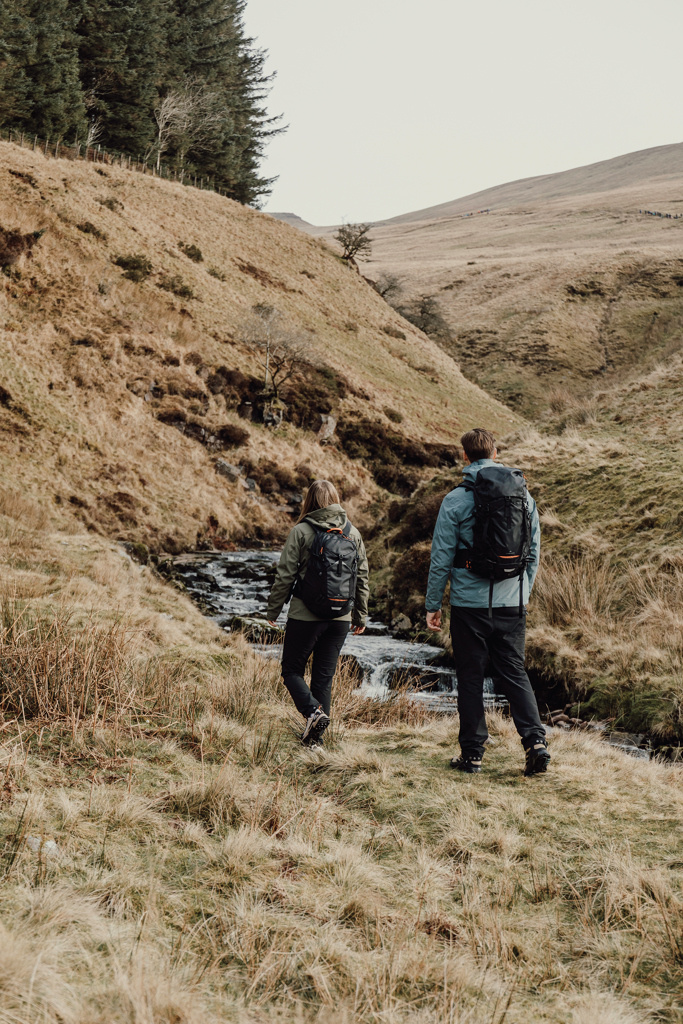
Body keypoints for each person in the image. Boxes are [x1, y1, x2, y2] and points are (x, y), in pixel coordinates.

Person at [425, 428, 550, 776]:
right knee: (514, 672)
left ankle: (473, 755)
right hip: (512, 603)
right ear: (496, 453)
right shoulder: (524, 497)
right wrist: (522, 592)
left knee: (470, 677)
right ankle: (536, 743)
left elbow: (441, 558)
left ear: (465, 457)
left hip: (468, 606)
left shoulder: (454, 500)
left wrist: (433, 604)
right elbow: (533, 551)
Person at [266, 480, 369, 747]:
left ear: (309, 501)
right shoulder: (353, 533)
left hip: (305, 616)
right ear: (335, 500)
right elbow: (362, 577)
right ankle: (315, 742)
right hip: (340, 619)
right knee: (323, 678)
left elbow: (285, 575)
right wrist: (360, 615)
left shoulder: (301, 531)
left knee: (291, 671)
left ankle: (313, 713)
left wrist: (274, 609)